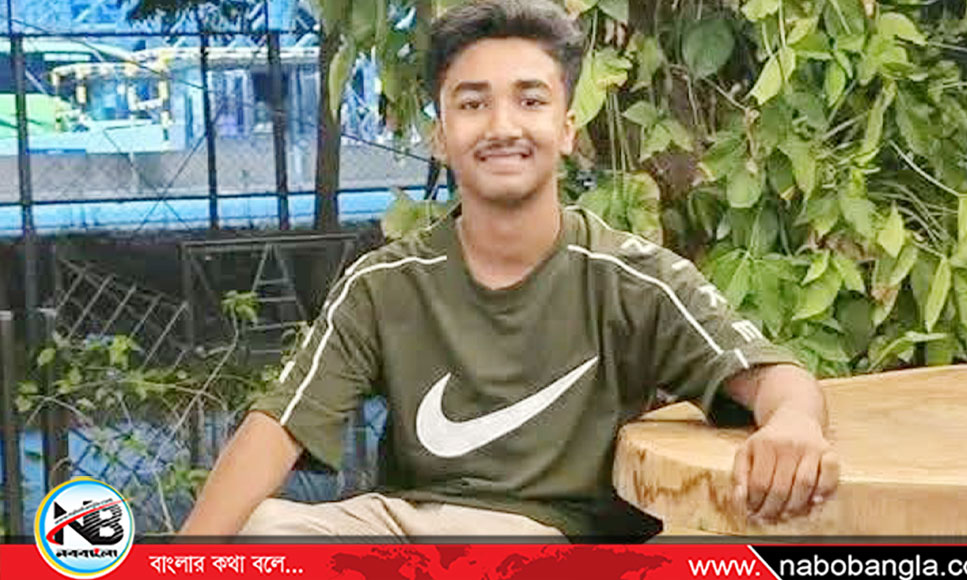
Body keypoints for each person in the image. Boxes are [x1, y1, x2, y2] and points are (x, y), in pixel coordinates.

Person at [180, 0, 838, 539]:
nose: (502, 126)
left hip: (550, 541)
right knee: (264, 531)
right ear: (441, 136)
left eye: (530, 100)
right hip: (407, 527)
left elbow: (775, 376)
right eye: (472, 104)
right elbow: (280, 426)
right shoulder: (384, 284)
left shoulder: (630, 277)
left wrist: (794, 425)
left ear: (568, 127)